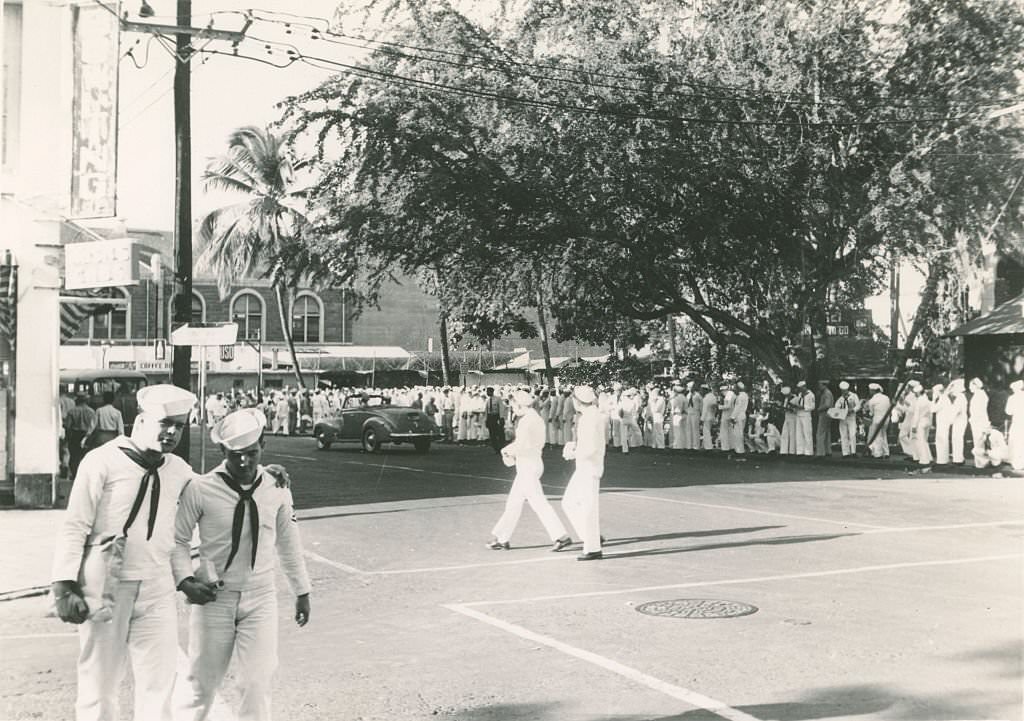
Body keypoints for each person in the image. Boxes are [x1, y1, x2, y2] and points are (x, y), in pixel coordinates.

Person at [50, 384, 197, 721]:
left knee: (159, 687)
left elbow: (213, 492)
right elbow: (75, 525)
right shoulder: (101, 461)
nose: (172, 433)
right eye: (165, 423)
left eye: (179, 425)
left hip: (157, 587)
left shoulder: (177, 469)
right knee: (99, 688)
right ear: (141, 421)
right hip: (106, 586)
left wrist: (265, 476)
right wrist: (63, 584)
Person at [173, 408, 310, 721]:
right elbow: (178, 540)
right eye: (236, 455)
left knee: (256, 683)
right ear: (223, 451)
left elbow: (288, 542)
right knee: (201, 686)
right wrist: (184, 581)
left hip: (260, 598)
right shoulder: (201, 489)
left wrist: (301, 591)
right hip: (213, 599)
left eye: (251, 453)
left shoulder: (276, 486)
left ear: (263, 445)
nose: (245, 462)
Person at [488, 390, 570, 551]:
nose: (513, 409)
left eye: (513, 406)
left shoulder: (527, 421)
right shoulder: (535, 418)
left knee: (538, 503)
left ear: (519, 404)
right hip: (530, 464)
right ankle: (502, 537)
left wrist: (507, 451)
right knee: (514, 502)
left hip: (528, 466)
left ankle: (561, 536)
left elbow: (522, 445)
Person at [562, 385, 608, 561]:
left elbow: (590, 448)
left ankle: (593, 548)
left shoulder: (590, 418)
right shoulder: (591, 415)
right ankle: (592, 539)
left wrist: (572, 452)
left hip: (589, 466)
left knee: (587, 508)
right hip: (586, 466)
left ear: (577, 401)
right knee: (569, 502)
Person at [64, 393, 97, 481]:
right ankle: (85, 476)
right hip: (87, 436)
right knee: (86, 456)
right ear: (86, 400)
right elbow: (93, 426)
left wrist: (67, 438)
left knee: (74, 456)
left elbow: (68, 426)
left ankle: (75, 475)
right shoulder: (92, 411)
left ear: (77, 400)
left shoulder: (72, 411)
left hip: (75, 435)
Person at [864, 383, 892, 458]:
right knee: (883, 434)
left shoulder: (872, 400)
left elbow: (871, 412)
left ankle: (877, 453)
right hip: (886, 419)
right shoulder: (886, 398)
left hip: (877, 418)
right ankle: (886, 452)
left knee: (877, 436)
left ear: (873, 391)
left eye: (870, 390)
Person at [968, 378, 991, 467]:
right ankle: (979, 462)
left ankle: (981, 463)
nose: (969, 388)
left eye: (971, 385)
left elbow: (978, 410)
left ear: (975, 386)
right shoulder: (980, 394)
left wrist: (972, 419)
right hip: (977, 421)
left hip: (979, 421)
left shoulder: (980, 395)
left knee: (978, 441)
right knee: (978, 442)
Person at [833, 381, 859, 457]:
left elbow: (858, 405)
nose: (844, 392)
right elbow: (836, 408)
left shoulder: (854, 396)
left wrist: (853, 410)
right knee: (843, 435)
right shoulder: (840, 399)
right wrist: (840, 411)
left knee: (852, 434)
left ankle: (853, 452)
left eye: (845, 390)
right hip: (843, 418)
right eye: (842, 391)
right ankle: (845, 453)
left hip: (851, 417)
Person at [947, 379, 968, 465]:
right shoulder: (960, 397)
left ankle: (958, 459)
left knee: (957, 439)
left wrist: (950, 420)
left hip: (960, 420)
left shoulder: (960, 397)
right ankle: (958, 458)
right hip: (959, 420)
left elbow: (957, 410)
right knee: (956, 439)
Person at [1005, 379, 1024, 470]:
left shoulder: (1012, 398)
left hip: (1017, 422)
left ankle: (1016, 463)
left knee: (1015, 441)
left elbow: (1008, 411)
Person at [618, 388, 643, 454]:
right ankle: (639, 444)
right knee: (637, 431)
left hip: (624, 419)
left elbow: (620, 413)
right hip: (631, 418)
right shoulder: (633, 402)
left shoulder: (622, 403)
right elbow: (635, 411)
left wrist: (622, 417)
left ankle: (625, 450)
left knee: (624, 435)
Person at [794, 381, 815, 456]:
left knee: (807, 433)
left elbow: (812, 407)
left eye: (801, 388)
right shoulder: (800, 394)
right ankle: (800, 451)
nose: (800, 390)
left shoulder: (811, 395)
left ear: (804, 387)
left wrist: (803, 407)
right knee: (799, 433)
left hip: (806, 415)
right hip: (799, 414)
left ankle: (808, 451)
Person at [484, 387, 506, 453]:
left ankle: (501, 447)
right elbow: (486, 411)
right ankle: (496, 448)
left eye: (488, 392)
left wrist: (501, 418)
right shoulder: (488, 401)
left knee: (499, 433)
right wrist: (486, 419)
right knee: (492, 434)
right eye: (486, 392)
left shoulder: (498, 399)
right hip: (490, 418)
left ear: (492, 392)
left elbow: (501, 408)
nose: (487, 393)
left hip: (496, 417)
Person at [815, 380, 834, 456]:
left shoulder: (827, 393)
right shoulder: (826, 393)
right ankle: (827, 450)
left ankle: (820, 452)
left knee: (820, 433)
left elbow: (827, 404)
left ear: (824, 385)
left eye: (820, 385)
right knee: (826, 433)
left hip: (824, 414)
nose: (819, 387)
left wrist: (819, 408)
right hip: (827, 415)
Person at [730, 381, 749, 455]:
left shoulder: (740, 397)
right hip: (743, 415)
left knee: (737, 433)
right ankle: (740, 449)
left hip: (738, 416)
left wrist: (732, 417)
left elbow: (737, 408)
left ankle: (739, 450)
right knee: (740, 433)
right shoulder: (745, 395)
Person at [717, 383, 734, 452]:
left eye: (722, 391)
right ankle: (730, 446)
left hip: (727, 414)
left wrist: (720, 407)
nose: (722, 393)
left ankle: (725, 447)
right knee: (729, 431)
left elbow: (728, 406)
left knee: (724, 431)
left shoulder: (729, 395)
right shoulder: (730, 394)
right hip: (729, 414)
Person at [700, 384, 718, 450]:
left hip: (707, 416)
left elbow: (704, 409)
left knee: (706, 431)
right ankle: (705, 445)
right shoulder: (713, 397)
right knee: (708, 431)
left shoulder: (706, 398)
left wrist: (702, 419)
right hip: (712, 416)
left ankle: (708, 447)